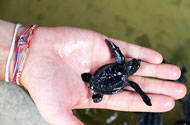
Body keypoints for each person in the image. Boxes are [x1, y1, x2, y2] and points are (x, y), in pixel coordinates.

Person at [0, 20, 187, 125]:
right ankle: (94, 89)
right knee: (108, 88)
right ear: (132, 70)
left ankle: (93, 85)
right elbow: (138, 89)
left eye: (135, 64)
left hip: (98, 78)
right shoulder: (129, 81)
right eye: (136, 64)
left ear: (130, 67)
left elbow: (116, 52)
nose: (135, 63)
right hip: (103, 84)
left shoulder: (121, 63)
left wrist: (110, 44)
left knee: (100, 81)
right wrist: (145, 99)